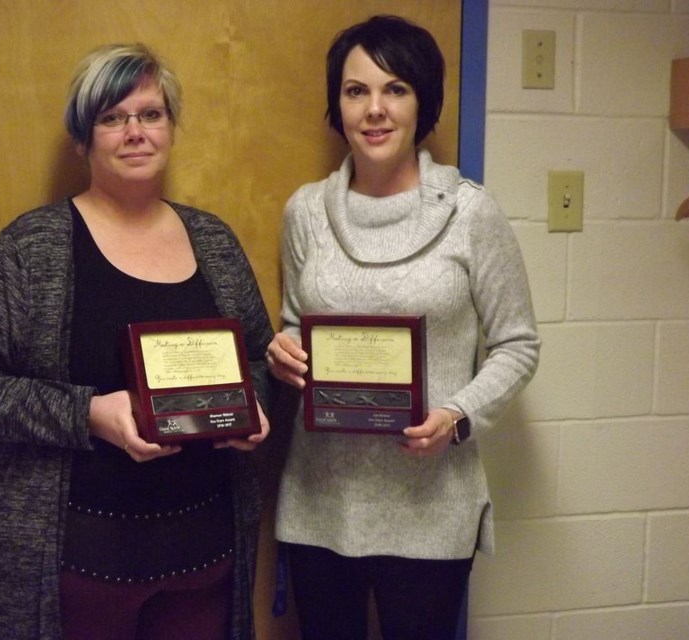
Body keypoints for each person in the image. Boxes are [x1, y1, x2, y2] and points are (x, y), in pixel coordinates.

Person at [0, 43, 274, 640]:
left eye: (151, 113)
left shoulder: (214, 242)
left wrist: (254, 410)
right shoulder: (33, 247)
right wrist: (88, 414)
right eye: (112, 118)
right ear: (83, 139)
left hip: (203, 563)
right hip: (71, 567)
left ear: (170, 127)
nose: (135, 132)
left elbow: (258, 359)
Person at [265, 16, 541, 640]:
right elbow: (294, 325)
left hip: (430, 505)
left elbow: (517, 343)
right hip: (321, 501)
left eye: (396, 89)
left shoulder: (472, 213)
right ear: (337, 106)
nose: (375, 109)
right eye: (356, 91)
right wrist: (285, 353)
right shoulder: (305, 211)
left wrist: (457, 414)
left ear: (425, 103)